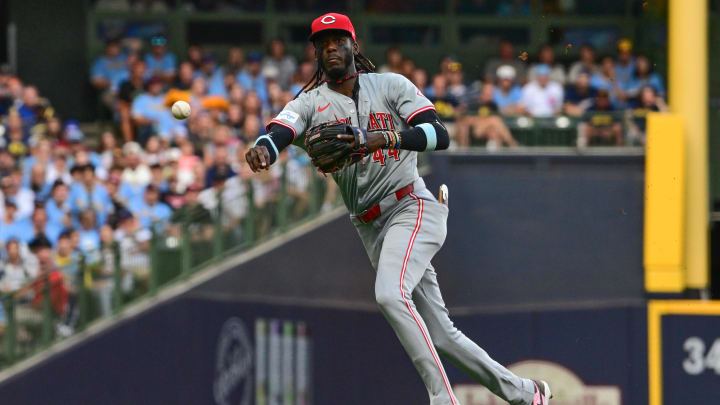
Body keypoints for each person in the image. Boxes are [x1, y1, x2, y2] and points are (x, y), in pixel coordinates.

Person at [244, 13, 551, 405]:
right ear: (316, 53)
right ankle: (527, 394)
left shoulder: (389, 85)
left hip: (411, 206)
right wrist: (263, 149)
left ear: (354, 45)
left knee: (390, 295)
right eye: (323, 43)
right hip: (370, 227)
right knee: (442, 335)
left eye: (339, 40)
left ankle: (443, 399)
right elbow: (279, 131)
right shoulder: (309, 103)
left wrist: (382, 137)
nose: (331, 48)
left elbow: (440, 135)